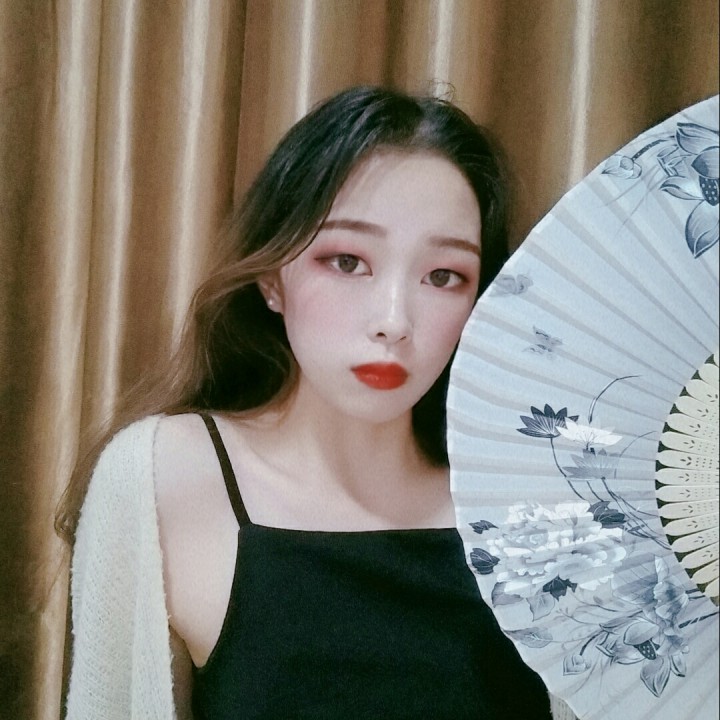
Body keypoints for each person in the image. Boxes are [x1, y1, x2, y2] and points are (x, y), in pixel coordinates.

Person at [58, 86, 559, 719]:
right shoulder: (163, 475)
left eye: (443, 276)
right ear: (272, 277)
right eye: (347, 261)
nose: (394, 321)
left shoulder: (536, 497)